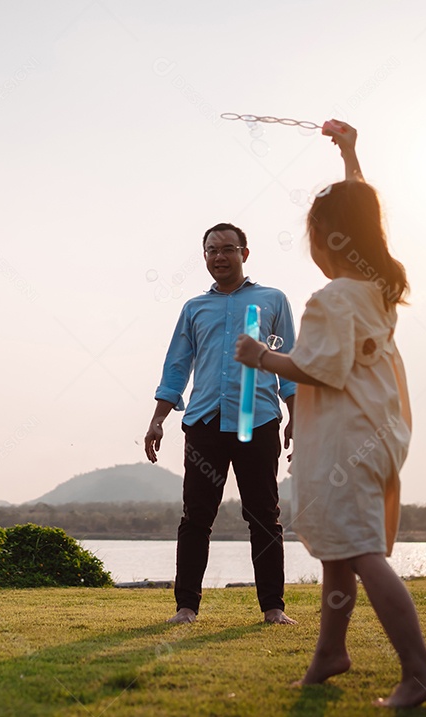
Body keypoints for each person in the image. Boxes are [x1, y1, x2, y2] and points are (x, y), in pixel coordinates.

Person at [233, 121, 426, 708]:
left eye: (315, 237)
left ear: (327, 240)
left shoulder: (330, 299)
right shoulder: (376, 286)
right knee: (341, 546)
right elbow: (362, 211)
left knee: (360, 553)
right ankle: (330, 651)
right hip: (379, 434)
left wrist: (261, 355)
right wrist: (352, 155)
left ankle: (420, 668)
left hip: (345, 439)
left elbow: (318, 367)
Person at [145, 222, 298, 626]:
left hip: (257, 420)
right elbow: (176, 366)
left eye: (228, 249)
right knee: (196, 517)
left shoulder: (273, 300)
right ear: (205, 257)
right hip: (204, 422)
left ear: (245, 253)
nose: (220, 257)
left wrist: (297, 416)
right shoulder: (194, 308)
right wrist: (158, 419)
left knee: (264, 517)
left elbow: (292, 366)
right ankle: (186, 607)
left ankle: (273, 608)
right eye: (212, 250)